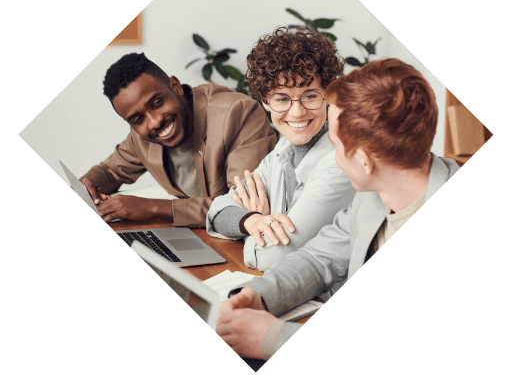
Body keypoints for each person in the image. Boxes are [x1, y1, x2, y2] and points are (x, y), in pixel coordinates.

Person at [215, 57, 460, 360]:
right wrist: (258, 295)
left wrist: (273, 338)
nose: (332, 155)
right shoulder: (373, 195)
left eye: (335, 143)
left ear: (365, 161)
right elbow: (318, 259)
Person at [206, 26, 356, 272]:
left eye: (310, 96)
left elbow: (271, 259)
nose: (297, 112)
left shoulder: (339, 164)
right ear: (265, 102)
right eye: (282, 99)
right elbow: (217, 210)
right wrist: (252, 220)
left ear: (328, 95)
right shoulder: (282, 151)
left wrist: (247, 229)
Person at [79, 52, 276, 227]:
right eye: (138, 119)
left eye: (157, 103)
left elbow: (242, 205)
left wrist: (153, 207)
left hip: (251, 239)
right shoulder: (141, 137)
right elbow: (110, 172)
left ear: (176, 86)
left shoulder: (238, 113)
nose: (154, 122)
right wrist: (87, 186)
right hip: (200, 235)